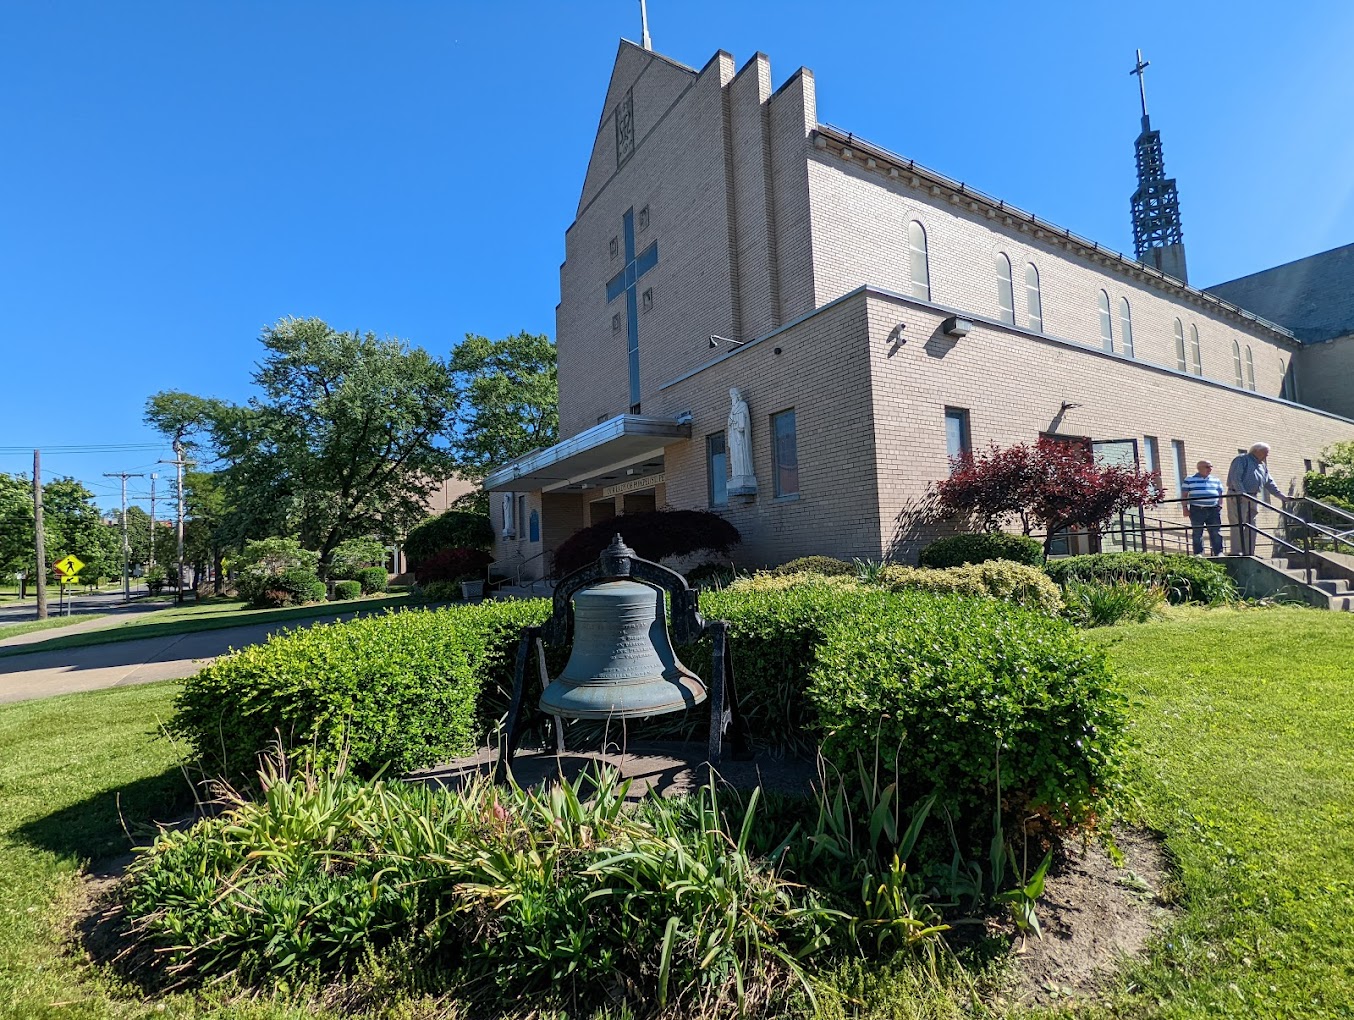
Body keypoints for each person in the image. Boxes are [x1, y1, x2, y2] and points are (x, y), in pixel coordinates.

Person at [1225, 443, 1289, 555]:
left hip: (1253, 497)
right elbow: (1236, 478)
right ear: (1257, 451)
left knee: (1251, 525)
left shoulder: (1262, 465)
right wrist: (1242, 494)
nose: (1267, 456)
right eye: (1265, 453)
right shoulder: (1242, 460)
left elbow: (1269, 482)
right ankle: (1236, 552)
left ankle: (1249, 552)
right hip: (1238, 496)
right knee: (1238, 524)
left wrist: (1281, 496)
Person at [1180, 459, 1224, 556]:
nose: (1210, 469)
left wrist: (1220, 506)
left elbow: (1220, 494)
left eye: (1211, 466)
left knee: (1216, 532)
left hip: (1213, 509)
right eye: (1207, 467)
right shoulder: (1189, 479)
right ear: (1199, 468)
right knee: (1197, 532)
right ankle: (1199, 553)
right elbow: (1184, 495)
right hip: (1197, 509)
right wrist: (1185, 508)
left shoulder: (1215, 480)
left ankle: (1219, 552)